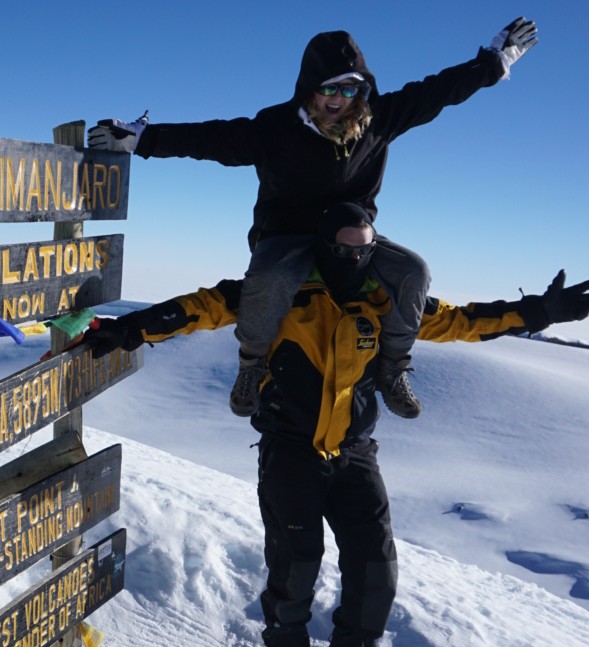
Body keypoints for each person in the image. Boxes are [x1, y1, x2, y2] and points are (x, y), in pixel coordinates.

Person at [80, 202, 589, 647]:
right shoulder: (281, 291)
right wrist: (130, 329)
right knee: (296, 570)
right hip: (291, 451)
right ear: (323, 245)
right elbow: (201, 307)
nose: (353, 257)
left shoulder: (387, 298)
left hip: (353, 453)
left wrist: (539, 312)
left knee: (377, 570)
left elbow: (462, 321)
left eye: (363, 249)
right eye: (343, 247)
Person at [88, 18, 539, 420]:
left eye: (351, 89)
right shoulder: (276, 129)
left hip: (352, 242)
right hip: (287, 240)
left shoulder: (380, 120)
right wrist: (142, 139)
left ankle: (393, 368)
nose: (340, 99)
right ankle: (252, 365)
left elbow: (439, 91)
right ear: (310, 88)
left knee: (413, 272)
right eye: (331, 88)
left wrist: (494, 61)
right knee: (268, 277)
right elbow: (212, 139)